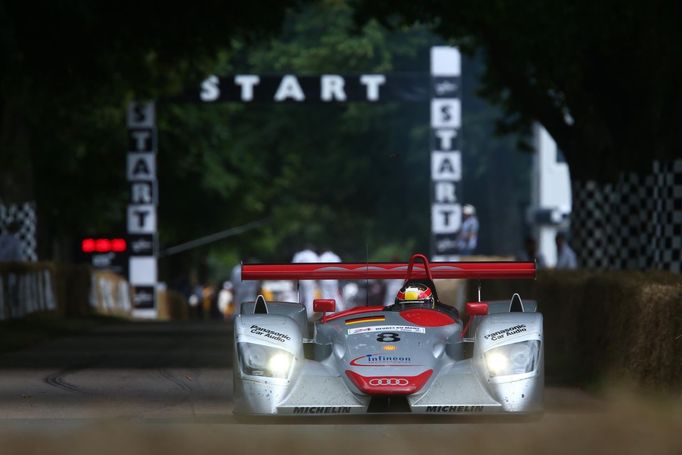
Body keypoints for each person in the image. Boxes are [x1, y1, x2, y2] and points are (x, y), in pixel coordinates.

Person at [292, 244, 319, 319]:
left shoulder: (299, 255)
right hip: (309, 277)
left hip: (300, 277)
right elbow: (317, 267)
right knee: (309, 295)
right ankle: (309, 314)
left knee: (300, 296)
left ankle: (299, 312)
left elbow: (294, 267)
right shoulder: (313, 255)